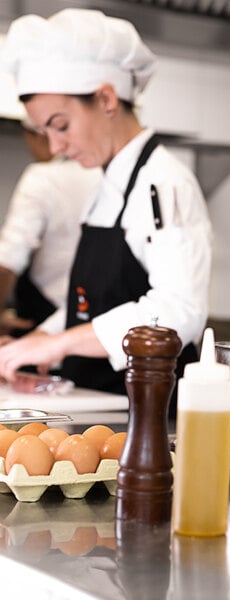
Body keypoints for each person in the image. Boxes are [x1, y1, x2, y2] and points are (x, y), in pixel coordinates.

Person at [0, 8, 212, 408]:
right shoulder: (108, 184)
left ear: (106, 98)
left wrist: (57, 344)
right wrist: (40, 340)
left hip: (148, 414)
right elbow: (94, 307)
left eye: (60, 125)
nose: (56, 147)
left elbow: (178, 311)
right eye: (45, 132)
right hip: (103, 404)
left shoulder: (164, 182)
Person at [0, 121, 101, 337]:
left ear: (38, 136)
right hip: (92, 320)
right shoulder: (102, 174)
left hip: (45, 316)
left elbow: (9, 258)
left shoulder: (41, 176)